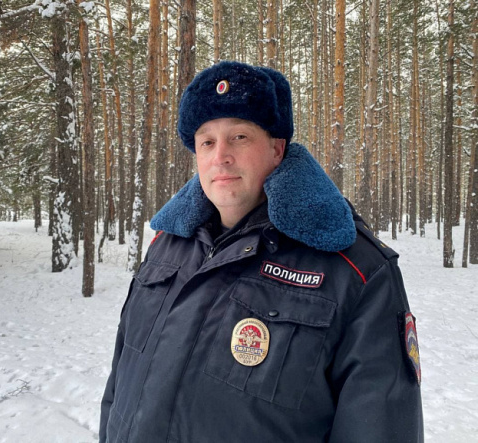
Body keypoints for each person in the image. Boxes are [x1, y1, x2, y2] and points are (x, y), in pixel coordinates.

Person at [100, 61, 423, 442]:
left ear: (277, 149)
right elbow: (119, 387)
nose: (220, 156)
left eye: (239, 137)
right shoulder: (166, 245)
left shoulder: (356, 271)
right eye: (207, 142)